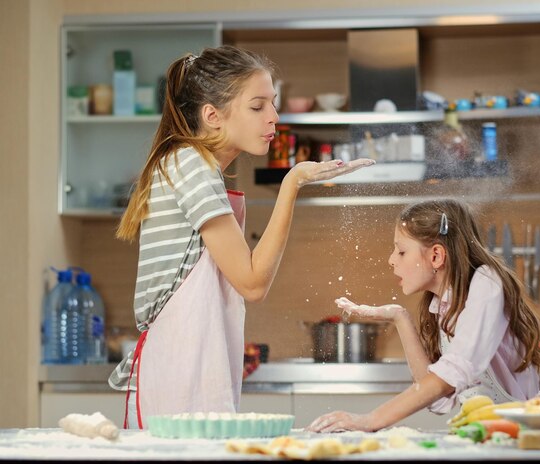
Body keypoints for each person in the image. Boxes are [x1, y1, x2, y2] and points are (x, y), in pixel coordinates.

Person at [107, 45, 374, 429]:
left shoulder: (194, 166)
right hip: (181, 365)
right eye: (258, 106)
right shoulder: (191, 165)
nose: (274, 117)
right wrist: (293, 181)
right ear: (212, 116)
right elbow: (252, 283)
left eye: (273, 104)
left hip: (194, 359)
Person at [307, 199, 540, 433]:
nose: (391, 260)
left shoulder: (487, 283)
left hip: (523, 437)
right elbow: (437, 395)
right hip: (484, 435)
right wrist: (399, 317)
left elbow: (449, 377)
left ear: (436, 256)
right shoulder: (443, 304)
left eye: (401, 251)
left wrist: (370, 420)